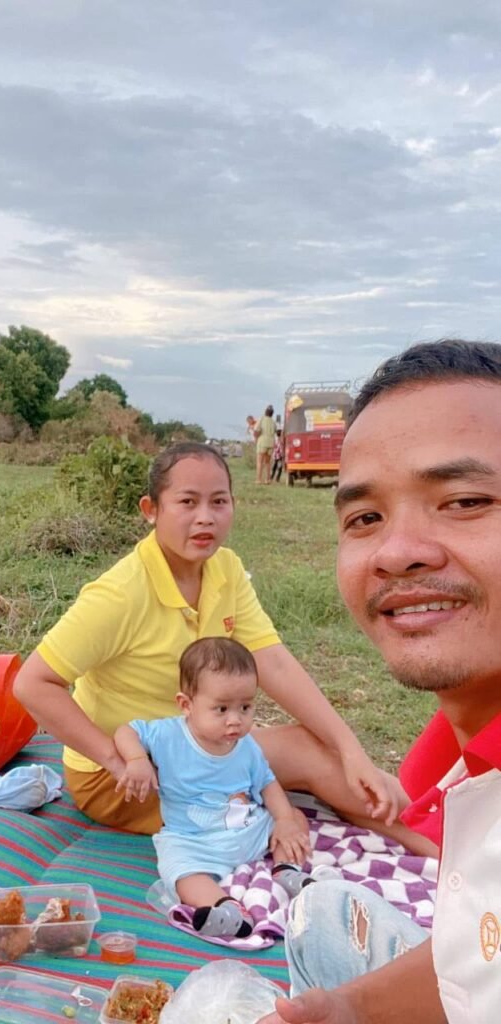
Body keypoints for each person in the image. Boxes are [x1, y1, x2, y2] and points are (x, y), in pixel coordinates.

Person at [14, 441, 427, 852]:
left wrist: (351, 749)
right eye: (187, 502)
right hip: (126, 778)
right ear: (151, 510)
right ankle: (438, 848)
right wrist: (118, 760)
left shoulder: (224, 570)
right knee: (309, 754)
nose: (205, 518)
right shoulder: (120, 594)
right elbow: (33, 684)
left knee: (329, 751)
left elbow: (274, 664)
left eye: (218, 502)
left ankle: (432, 833)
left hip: (198, 744)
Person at [258, 338, 501, 1024]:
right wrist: (348, 1010)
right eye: (366, 518)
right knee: (322, 911)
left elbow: (270, 658)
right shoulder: (463, 749)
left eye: (464, 501)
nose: (396, 552)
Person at [114, 636, 311, 938]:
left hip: (248, 830)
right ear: (186, 705)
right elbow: (126, 730)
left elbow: (268, 783)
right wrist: (137, 758)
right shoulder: (168, 735)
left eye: (245, 707)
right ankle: (225, 909)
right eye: (221, 709)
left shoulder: (246, 746)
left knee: (294, 817)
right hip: (194, 840)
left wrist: (284, 820)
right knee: (178, 869)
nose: (235, 721)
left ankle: (286, 870)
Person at [255, 405, 277, 484]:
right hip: (271, 443)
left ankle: (258, 479)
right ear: (272, 414)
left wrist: (256, 439)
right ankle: (267, 479)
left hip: (262, 442)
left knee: (259, 462)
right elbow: (276, 431)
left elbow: (256, 430)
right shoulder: (273, 422)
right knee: (268, 463)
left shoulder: (262, 419)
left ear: (265, 412)